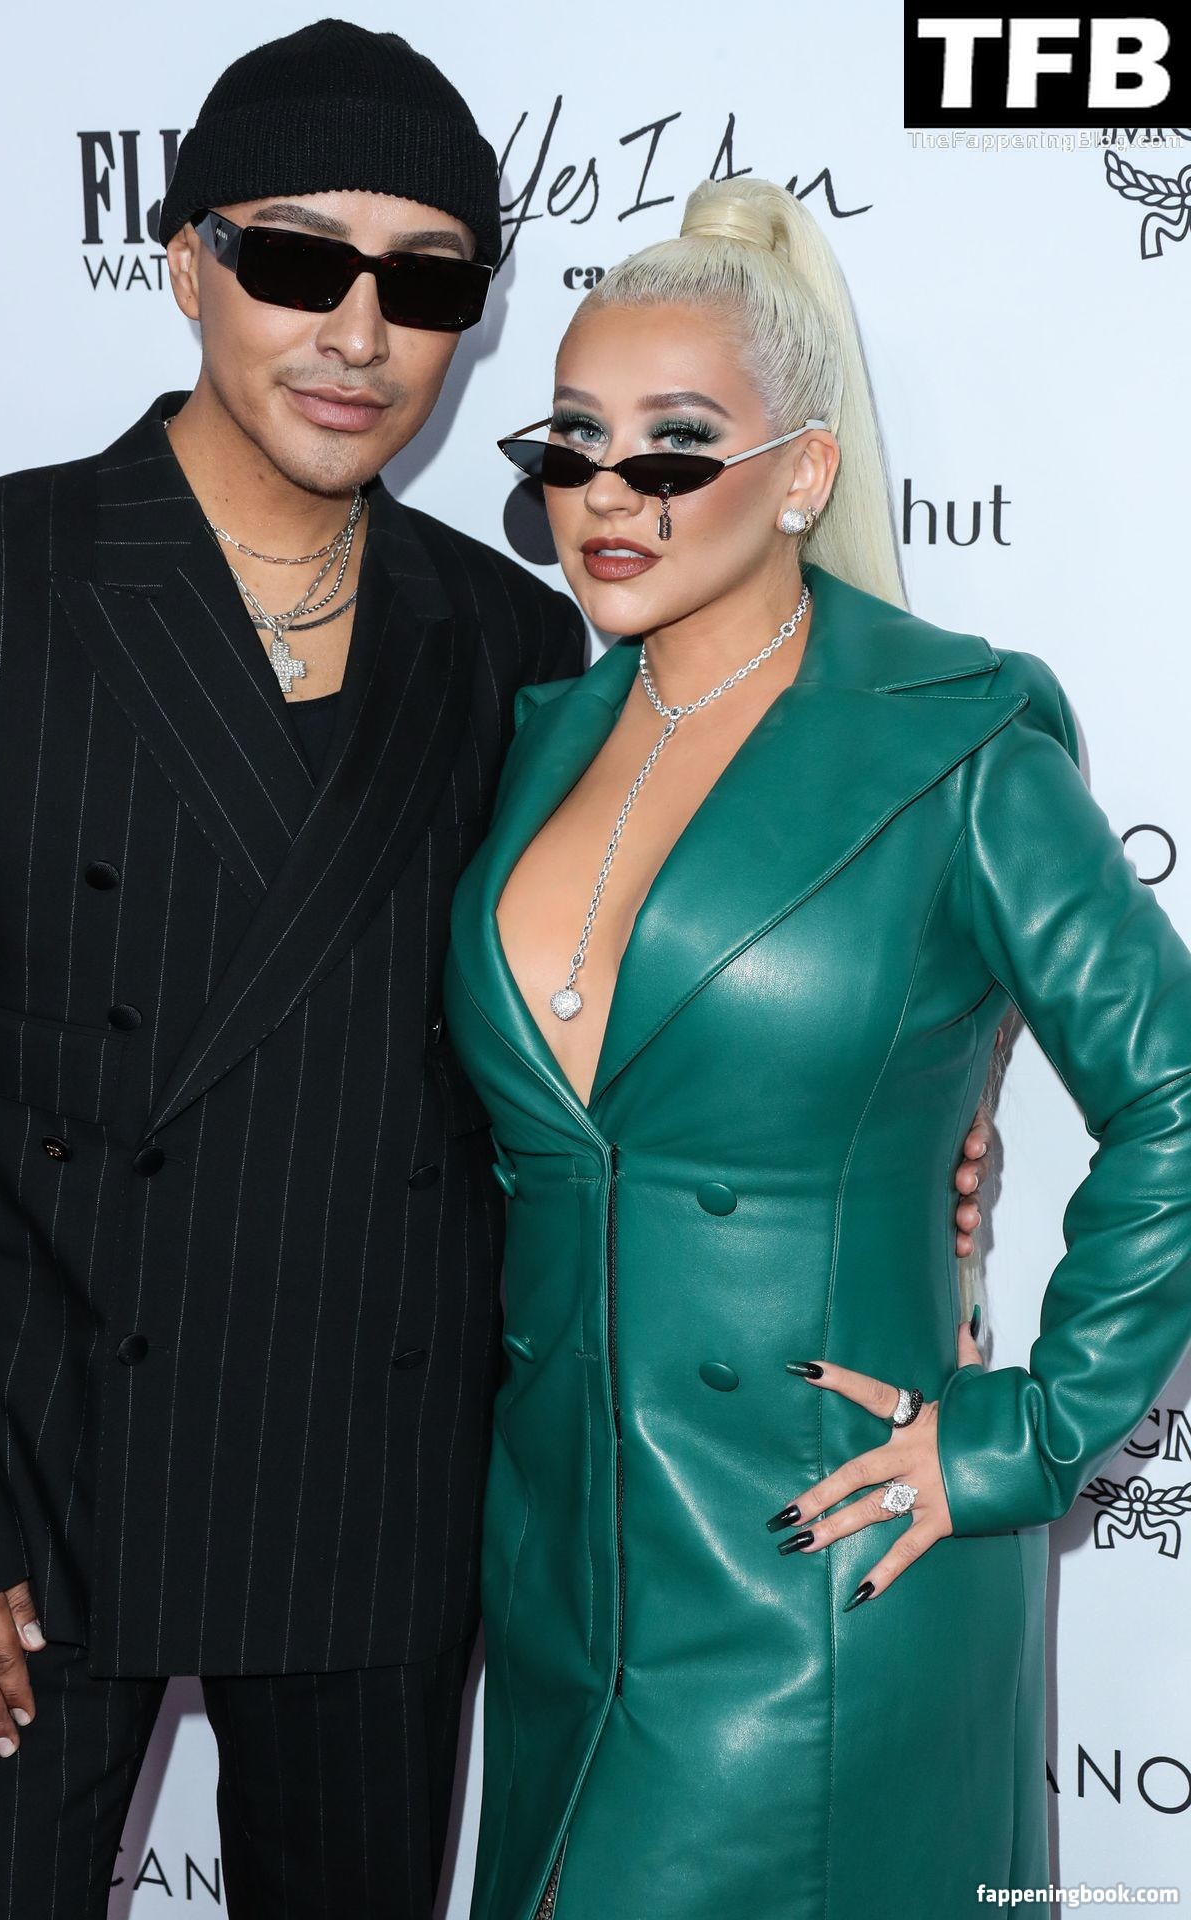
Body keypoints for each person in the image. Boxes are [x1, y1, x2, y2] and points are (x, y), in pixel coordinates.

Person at [0, 23, 989, 1918]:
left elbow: (610, 1006)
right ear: (184, 265)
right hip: (22, 1506)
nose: (358, 333)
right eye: (296, 260)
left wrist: (891, 1125)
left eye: (424, 283)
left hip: (372, 1495)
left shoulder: (509, 635)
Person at [441, 174, 1191, 1920]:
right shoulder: (534, 738)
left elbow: (1173, 1090)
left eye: (676, 444)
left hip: (831, 1571)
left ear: (803, 475)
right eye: (574, 441)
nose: (609, 491)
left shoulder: (955, 739)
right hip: (565, 1577)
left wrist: (1027, 1434)